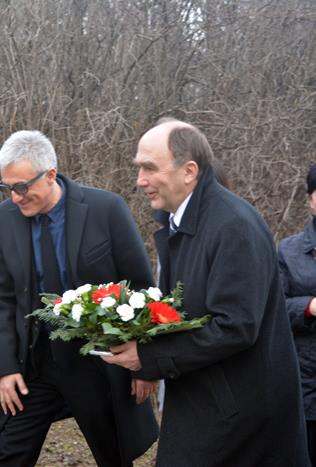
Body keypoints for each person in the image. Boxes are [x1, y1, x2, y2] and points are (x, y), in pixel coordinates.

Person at [104, 119, 308, 466]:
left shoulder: (232, 226)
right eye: (139, 168)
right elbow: (186, 312)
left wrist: (150, 357)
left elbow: (235, 326)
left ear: (189, 171)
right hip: (206, 404)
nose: (140, 180)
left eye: (149, 168)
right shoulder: (184, 221)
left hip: (238, 419)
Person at [0, 130, 159, 467]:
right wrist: (5, 368)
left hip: (97, 363)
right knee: (10, 457)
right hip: (35, 363)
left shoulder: (105, 209)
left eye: (21, 187)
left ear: (50, 174)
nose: (15, 197)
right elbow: (2, 298)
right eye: (7, 188)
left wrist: (147, 362)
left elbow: (141, 287)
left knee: (114, 457)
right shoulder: (5, 218)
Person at [278, 164, 316, 466]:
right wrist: (309, 306)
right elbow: (272, 309)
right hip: (306, 382)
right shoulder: (287, 252)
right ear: (311, 200)